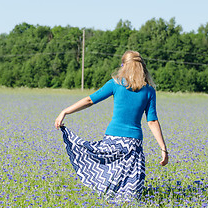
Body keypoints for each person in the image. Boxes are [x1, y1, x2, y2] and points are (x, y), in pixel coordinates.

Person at [54, 50, 168, 202]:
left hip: (112, 139)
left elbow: (89, 100)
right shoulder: (149, 91)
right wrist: (163, 148)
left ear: (124, 65)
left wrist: (65, 111)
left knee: (108, 178)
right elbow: (152, 121)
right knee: (131, 189)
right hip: (133, 144)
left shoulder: (115, 84)